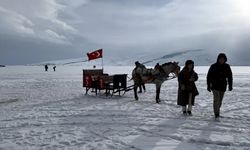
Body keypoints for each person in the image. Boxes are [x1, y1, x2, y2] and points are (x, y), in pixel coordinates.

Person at [207, 53, 233, 118]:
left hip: (223, 86)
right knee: (216, 99)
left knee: (220, 101)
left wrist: (230, 85)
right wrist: (208, 85)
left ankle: (217, 110)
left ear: (225, 60)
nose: (221, 60)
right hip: (214, 86)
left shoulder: (227, 66)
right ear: (218, 59)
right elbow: (208, 76)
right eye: (220, 59)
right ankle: (216, 114)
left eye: (223, 59)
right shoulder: (213, 66)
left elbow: (230, 76)